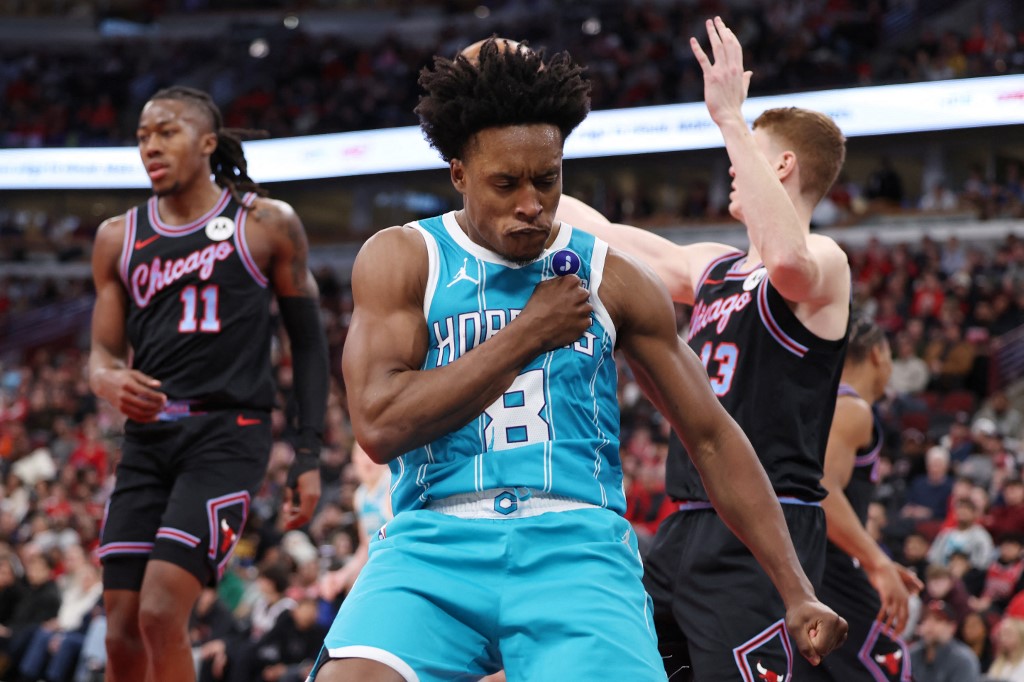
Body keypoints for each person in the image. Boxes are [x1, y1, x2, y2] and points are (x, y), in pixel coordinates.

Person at [309, 36, 846, 682]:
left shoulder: (614, 278)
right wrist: (526, 335)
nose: (530, 203)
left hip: (576, 545)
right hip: (433, 541)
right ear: (459, 175)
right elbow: (378, 424)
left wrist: (796, 588)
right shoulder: (403, 257)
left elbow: (710, 435)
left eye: (547, 179)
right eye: (506, 183)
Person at [558, 17, 852, 681]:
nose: (730, 169)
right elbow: (603, 234)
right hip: (685, 524)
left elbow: (787, 260)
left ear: (781, 165)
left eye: (746, 155)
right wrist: (507, 155)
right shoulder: (712, 266)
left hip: (766, 529)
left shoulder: (826, 263)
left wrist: (730, 119)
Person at [88, 86, 329, 682]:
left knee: (159, 612)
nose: (150, 146)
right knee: (119, 632)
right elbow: (101, 355)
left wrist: (307, 452)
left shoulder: (265, 224)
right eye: (143, 136)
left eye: (166, 132)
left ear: (206, 142)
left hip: (228, 435)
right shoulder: (117, 236)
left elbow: (308, 343)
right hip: (148, 440)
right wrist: (108, 380)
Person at [812, 318, 923, 681]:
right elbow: (822, 493)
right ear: (878, 353)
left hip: (815, 561)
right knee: (888, 669)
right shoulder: (851, 407)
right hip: (828, 568)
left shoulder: (823, 399)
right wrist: (877, 563)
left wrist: (872, 558)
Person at [908, 600, 980, 681]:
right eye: (927, 619)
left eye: (938, 620)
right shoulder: (912, 654)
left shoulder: (963, 660)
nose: (930, 625)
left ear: (952, 627)